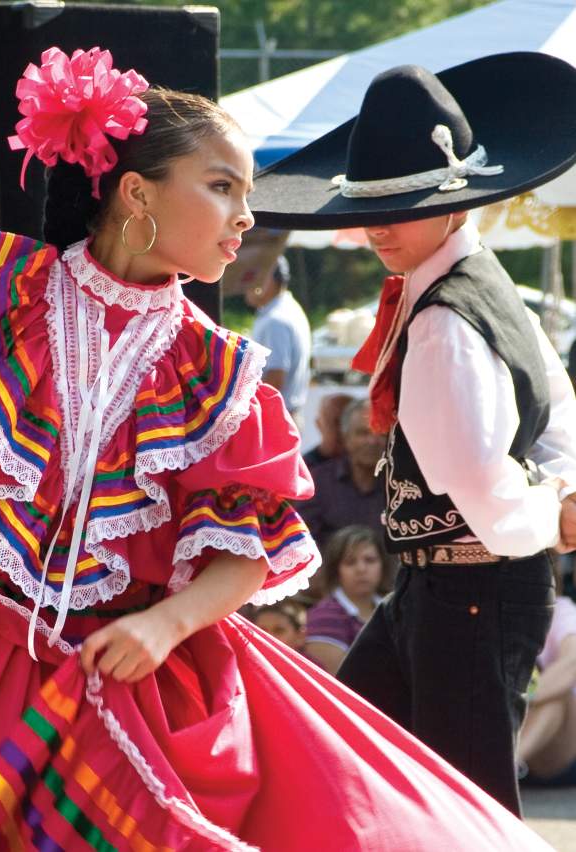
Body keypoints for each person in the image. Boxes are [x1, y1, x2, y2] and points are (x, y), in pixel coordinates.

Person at [0, 45, 555, 852]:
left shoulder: (215, 370)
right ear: (135, 193)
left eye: (247, 194)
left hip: (131, 675)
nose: (244, 218)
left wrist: (163, 627)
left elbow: (247, 550)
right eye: (222, 186)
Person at [249, 52, 576, 817]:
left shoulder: (441, 322)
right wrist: (559, 489)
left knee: (463, 800)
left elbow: (478, 483)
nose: (374, 228)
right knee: (347, 752)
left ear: (456, 201)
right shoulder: (474, 283)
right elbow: (555, 397)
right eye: (369, 205)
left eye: (398, 205)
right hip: (445, 586)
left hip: (473, 586)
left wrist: (548, 510)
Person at [296, 397, 386, 550]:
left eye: (379, 433)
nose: (372, 441)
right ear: (346, 438)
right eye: (362, 433)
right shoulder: (317, 483)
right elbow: (304, 543)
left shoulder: (401, 486)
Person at [306, 525, 391, 675]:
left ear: (383, 565)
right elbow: (340, 679)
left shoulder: (395, 609)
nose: (361, 569)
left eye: (370, 560)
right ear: (336, 570)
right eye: (350, 562)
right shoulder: (324, 616)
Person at [518, 583, 576, 787]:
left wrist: (519, 700)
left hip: (560, 750)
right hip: (506, 726)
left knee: (557, 698)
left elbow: (572, 663)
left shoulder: (560, 609)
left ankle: (508, 766)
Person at [244, 254, 311, 428]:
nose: (245, 285)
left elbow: (274, 378)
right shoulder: (289, 309)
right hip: (286, 415)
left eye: (251, 277)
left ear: (268, 279)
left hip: (274, 420)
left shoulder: (275, 320)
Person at [302, 391, 354, 471]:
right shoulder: (304, 467)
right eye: (336, 422)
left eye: (347, 422)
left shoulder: (367, 463)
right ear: (319, 424)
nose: (342, 429)